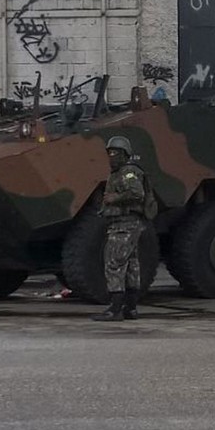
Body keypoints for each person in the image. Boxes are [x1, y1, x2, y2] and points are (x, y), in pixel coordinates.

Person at [91, 135, 148, 322]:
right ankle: (130, 308)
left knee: (113, 263)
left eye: (115, 152)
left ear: (125, 154)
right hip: (124, 224)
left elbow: (137, 192)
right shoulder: (119, 172)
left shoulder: (127, 172)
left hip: (125, 224)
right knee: (131, 265)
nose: (111, 156)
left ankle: (115, 309)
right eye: (109, 152)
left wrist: (114, 199)